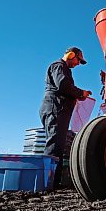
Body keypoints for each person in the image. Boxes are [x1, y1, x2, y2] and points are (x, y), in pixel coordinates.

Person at [39, 47, 92, 188]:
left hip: (57, 109)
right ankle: (47, 183)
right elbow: (62, 85)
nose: (78, 64)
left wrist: (77, 95)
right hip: (55, 109)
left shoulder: (64, 69)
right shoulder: (58, 66)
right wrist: (81, 93)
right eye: (78, 60)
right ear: (70, 55)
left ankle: (53, 182)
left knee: (57, 145)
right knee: (54, 145)